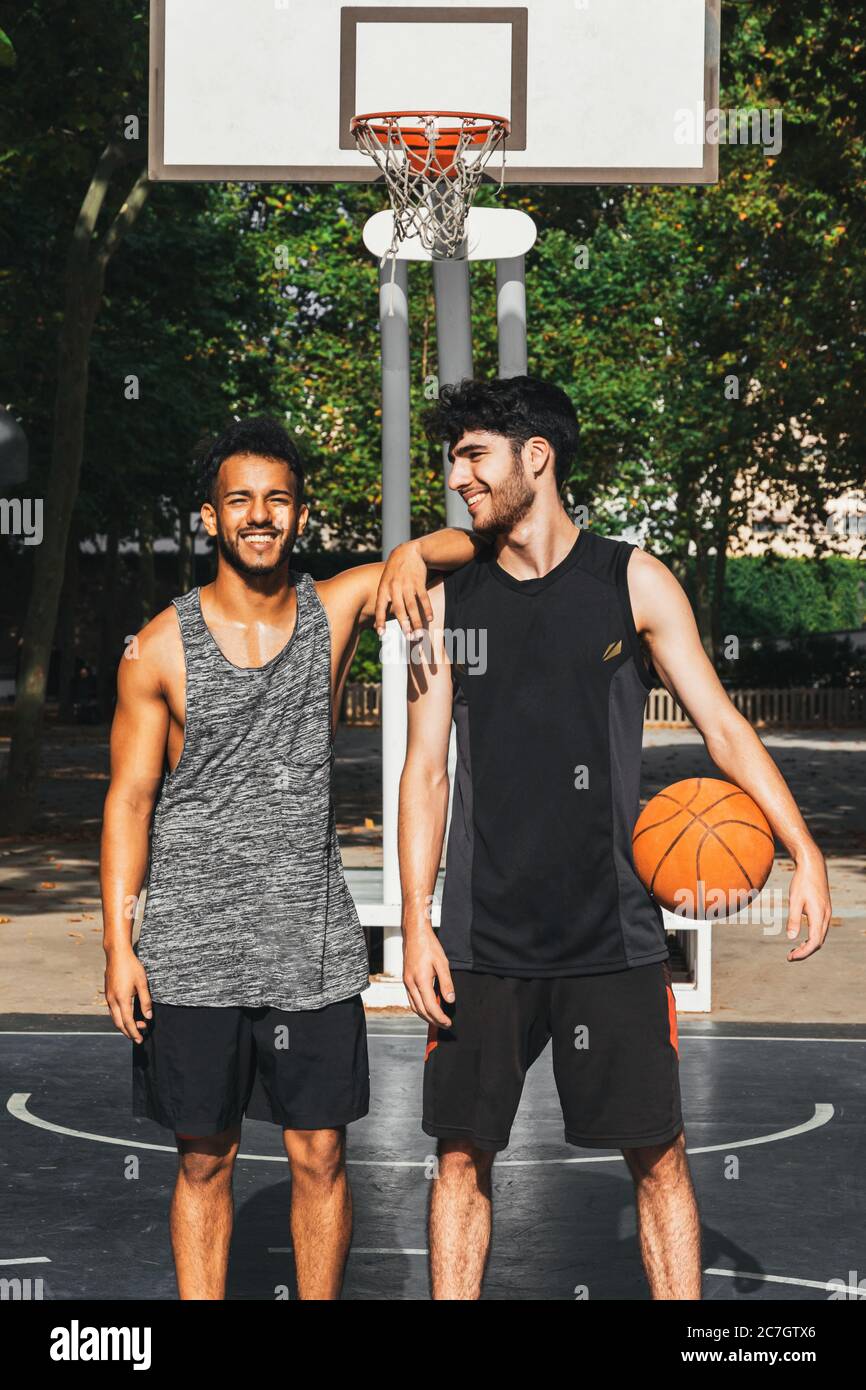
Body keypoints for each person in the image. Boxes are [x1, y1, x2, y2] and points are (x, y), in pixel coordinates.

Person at [399, 376, 833, 1300]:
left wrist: (804, 850)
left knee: (660, 1157)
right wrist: (414, 921)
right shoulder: (446, 601)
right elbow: (425, 769)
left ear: (536, 457)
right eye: (454, 460)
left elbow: (719, 723)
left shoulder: (631, 580)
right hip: (482, 937)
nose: (459, 478)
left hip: (614, 934)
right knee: (461, 1160)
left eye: (475, 456)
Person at [100, 416, 485, 1301]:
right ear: (210, 518)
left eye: (277, 500)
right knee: (204, 1163)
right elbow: (128, 800)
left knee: (320, 1157)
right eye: (240, 500)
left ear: (300, 516)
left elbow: (480, 536)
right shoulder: (158, 647)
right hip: (191, 954)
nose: (259, 515)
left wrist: (411, 552)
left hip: (310, 949)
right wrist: (121, 946)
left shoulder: (339, 605)